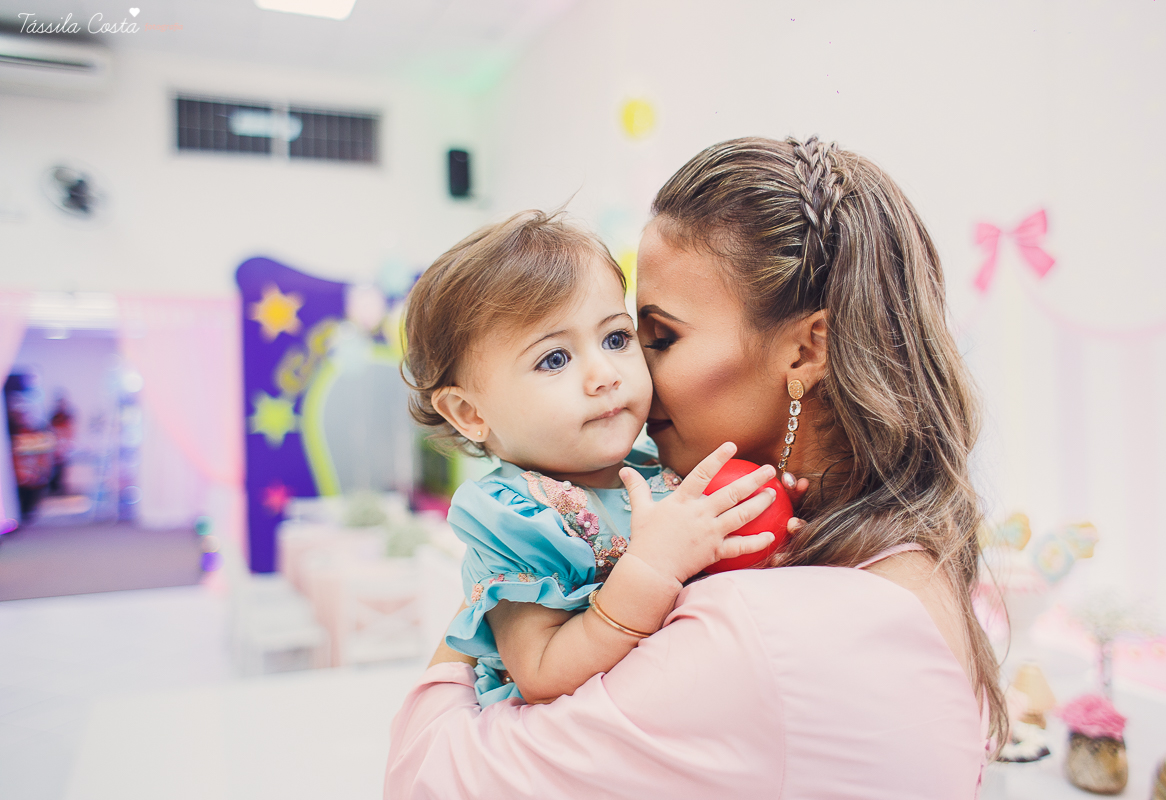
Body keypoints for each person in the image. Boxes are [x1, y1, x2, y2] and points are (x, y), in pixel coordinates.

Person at [386, 137, 1005, 799]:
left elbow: (425, 775)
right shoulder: (912, 557)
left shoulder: (748, 637)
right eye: (554, 358)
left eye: (648, 337)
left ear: (805, 350)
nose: (625, 376)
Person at [402, 210, 782, 708]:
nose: (604, 373)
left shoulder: (657, 468)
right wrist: (649, 568)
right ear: (469, 412)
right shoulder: (515, 518)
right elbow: (540, 672)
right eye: (554, 359)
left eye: (617, 339)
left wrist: (765, 540)